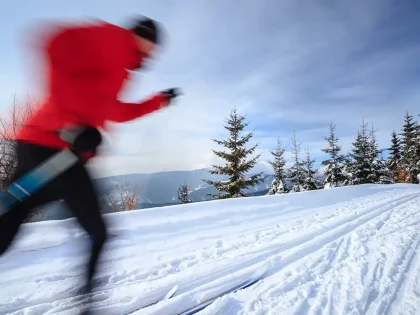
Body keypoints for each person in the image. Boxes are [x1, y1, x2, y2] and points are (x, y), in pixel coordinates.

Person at [0, 15, 181, 297]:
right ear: (143, 37)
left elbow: (116, 112)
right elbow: (53, 43)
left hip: (64, 156)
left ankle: (86, 303)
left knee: (13, 224)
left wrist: (159, 101)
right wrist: (70, 124)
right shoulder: (113, 40)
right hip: (46, 147)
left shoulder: (120, 69)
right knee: (95, 232)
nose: (153, 55)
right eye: (153, 47)